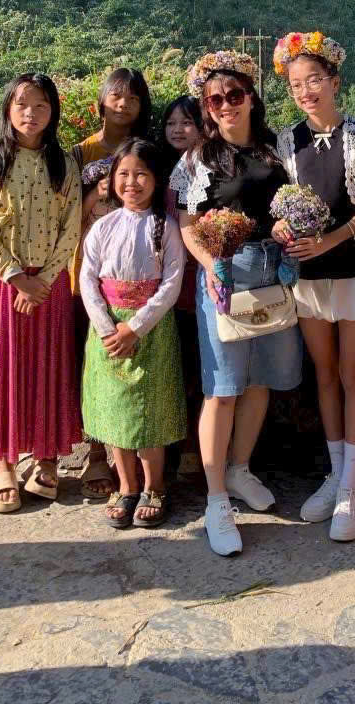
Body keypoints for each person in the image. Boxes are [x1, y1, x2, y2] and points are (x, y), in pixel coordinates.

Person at [174, 50, 303, 556]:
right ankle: (216, 500)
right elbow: (187, 223)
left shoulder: (277, 150)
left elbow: (288, 205)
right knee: (223, 387)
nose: (226, 105)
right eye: (215, 99)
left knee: (261, 378)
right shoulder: (198, 159)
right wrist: (210, 265)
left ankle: (240, 468)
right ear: (206, 106)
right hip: (226, 274)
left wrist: (288, 233)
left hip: (274, 272)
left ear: (251, 97)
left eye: (234, 95)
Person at [273, 31, 355, 543]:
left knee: (351, 372)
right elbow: (282, 202)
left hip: (351, 268)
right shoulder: (287, 140)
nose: (306, 91)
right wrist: (283, 228)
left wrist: (331, 240)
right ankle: (336, 476)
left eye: (314, 80)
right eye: (297, 84)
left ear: (334, 82)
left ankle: (350, 486)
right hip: (309, 274)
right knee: (323, 374)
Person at [0, 73, 81, 512]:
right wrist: (18, 278)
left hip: (50, 285)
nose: (30, 114)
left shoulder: (64, 165)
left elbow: (71, 228)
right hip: (3, 286)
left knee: (48, 368)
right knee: (5, 370)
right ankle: (4, 464)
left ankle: (48, 459)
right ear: (8, 110)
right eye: (21, 105)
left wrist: (44, 280)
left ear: (53, 112)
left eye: (40, 105)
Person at [79, 138, 187, 529]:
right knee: (117, 411)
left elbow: (171, 283)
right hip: (107, 334)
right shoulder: (103, 227)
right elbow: (88, 279)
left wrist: (136, 327)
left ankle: (154, 487)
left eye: (141, 174)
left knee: (149, 412)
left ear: (156, 180)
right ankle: (126, 487)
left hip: (151, 332)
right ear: (111, 179)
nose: (131, 183)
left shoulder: (166, 228)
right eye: (123, 174)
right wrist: (108, 328)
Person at [70, 67, 153, 500]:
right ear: (101, 100)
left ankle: (142, 458)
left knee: (136, 369)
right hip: (86, 272)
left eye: (133, 98)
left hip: (136, 279)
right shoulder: (80, 152)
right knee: (94, 366)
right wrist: (96, 194)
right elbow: (65, 212)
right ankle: (97, 454)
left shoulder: (146, 151)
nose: (123, 104)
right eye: (117, 96)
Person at [159, 95, 204, 479]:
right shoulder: (161, 164)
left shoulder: (208, 164)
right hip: (166, 281)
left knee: (198, 365)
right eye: (171, 123)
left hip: (199, 278)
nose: (177, 129)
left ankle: (194, 447)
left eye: (186, 122)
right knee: (175, 365)